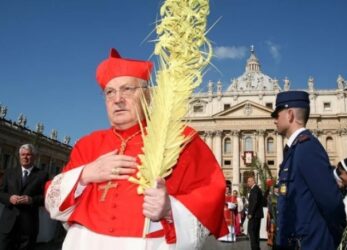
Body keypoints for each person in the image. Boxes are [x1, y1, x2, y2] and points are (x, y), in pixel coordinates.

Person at [44, 48, 228, 250]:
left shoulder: (181, 139)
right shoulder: (87, 144)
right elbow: (54, 202)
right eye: (110, 92)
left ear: (148, 96)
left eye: (127, 89)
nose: (118, 99)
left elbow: (210, 194)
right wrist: (84, 175)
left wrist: (170, 209)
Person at [271, 90, 346, 249]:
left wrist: (324, 241)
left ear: (290, 114)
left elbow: (332, 203)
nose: (274, 120)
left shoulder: (307, 148)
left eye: (277, 114)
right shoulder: (295, 149)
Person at [0, 144, 48, 250]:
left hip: (28, 226)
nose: (25, 157)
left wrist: (31, 200)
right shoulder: (9, 172)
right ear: (19, 156)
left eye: (28, 154)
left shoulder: (42, 175)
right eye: (22, 154)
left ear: (34, 157)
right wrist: (9, 198)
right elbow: (1, 193)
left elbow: (46, 198)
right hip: (8, 225)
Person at [247, 176, 264, 250]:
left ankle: (255, 248)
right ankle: (257, 248)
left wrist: (251, 213)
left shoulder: (254, 189)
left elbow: (255, 202)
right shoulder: (257, 189)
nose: (247, 183)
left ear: (253, 181)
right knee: (256, 233)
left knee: (252, 232)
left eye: (248, 181)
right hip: (257, 215)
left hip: (254, 215)